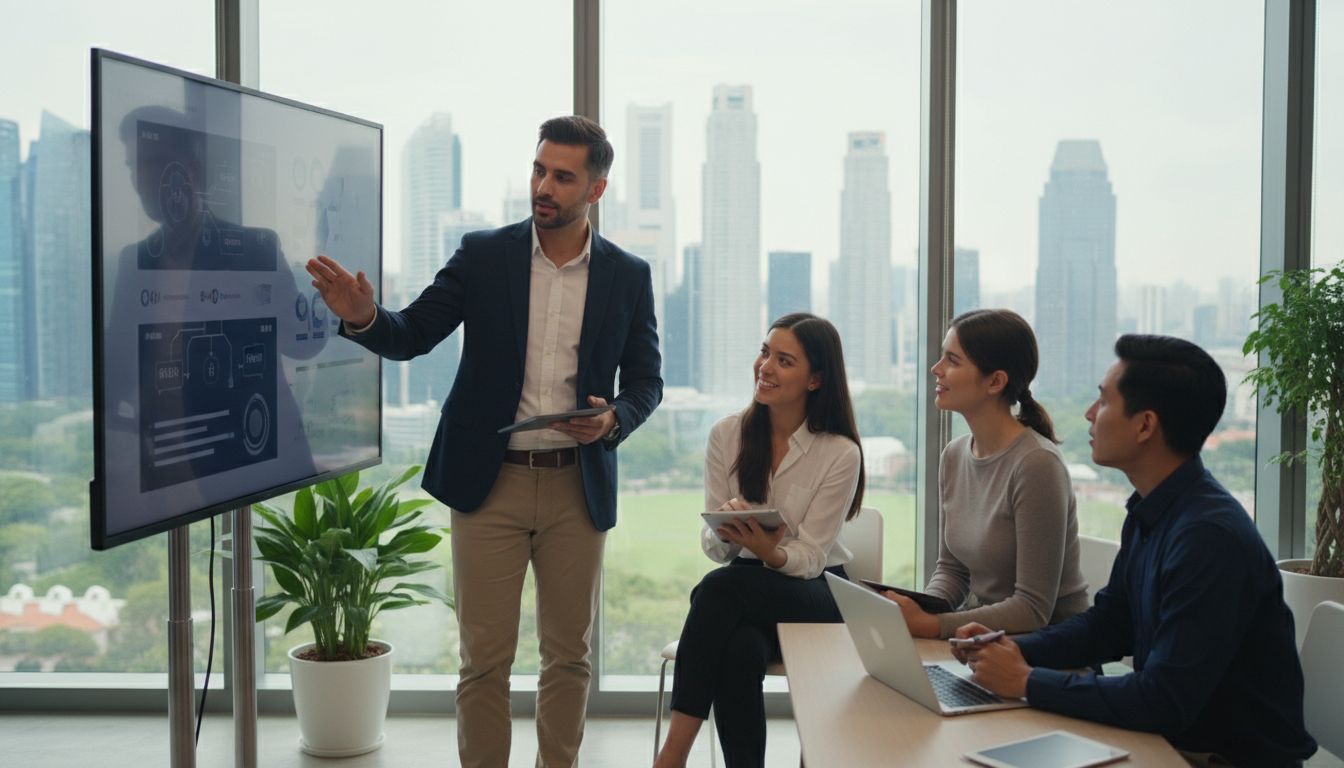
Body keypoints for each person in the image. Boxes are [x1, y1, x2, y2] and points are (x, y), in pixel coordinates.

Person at [307, 116, 663, 768]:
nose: (543, 186)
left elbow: (647, 383)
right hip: (487, 482)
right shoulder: (484, 253)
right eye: (538, 170)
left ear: (597, 188)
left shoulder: (628, 276)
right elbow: (411, 332)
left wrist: (613, 419)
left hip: (574, 487)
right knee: (483, 661)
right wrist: (361, 316)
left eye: (562, 176)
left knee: (569, 657)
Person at [956, 335, 1317, 767]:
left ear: (1145, 425)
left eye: (1103, 402)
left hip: (1215, 758)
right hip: (1170, 740)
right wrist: (1011, 647)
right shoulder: (1153, 507)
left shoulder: (1208, 537)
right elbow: (1110, 625)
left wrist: (1026, 681)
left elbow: (1163, 699)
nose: (1090, 415)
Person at [653, 313, 864, 768]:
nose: (765, 367)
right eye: (765, 352)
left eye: (784, 360)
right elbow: (716, 547)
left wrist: (770, 550)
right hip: (745, 586)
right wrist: (727, 534)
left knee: (716, 588)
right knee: (739, 649)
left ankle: (671, 756)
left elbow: (811, 556)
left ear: (815, 379)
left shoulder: (840, 452)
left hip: (818, 588)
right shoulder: (726, 435)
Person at [884, 309, 1088, 638]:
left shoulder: (1037, 465)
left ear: (995, 381)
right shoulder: (954, 455)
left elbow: (1033, 610)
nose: (936, 370)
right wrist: (920, 608)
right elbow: (952, 570)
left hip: (1047, 652)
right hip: (981, 640)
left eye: (952, 360)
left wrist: (933, 625)